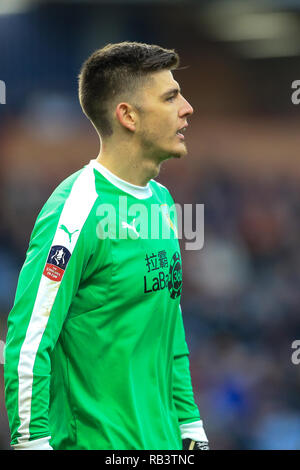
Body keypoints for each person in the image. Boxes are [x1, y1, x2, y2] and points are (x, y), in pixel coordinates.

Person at [4, 41, 209, 450]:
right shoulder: (76, 211)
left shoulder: (162, 203)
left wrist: (190, 424)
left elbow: (168, 326)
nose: (187, 108)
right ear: (128, 115)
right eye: (171, 97)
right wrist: (31, 443)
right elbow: (27, 344)